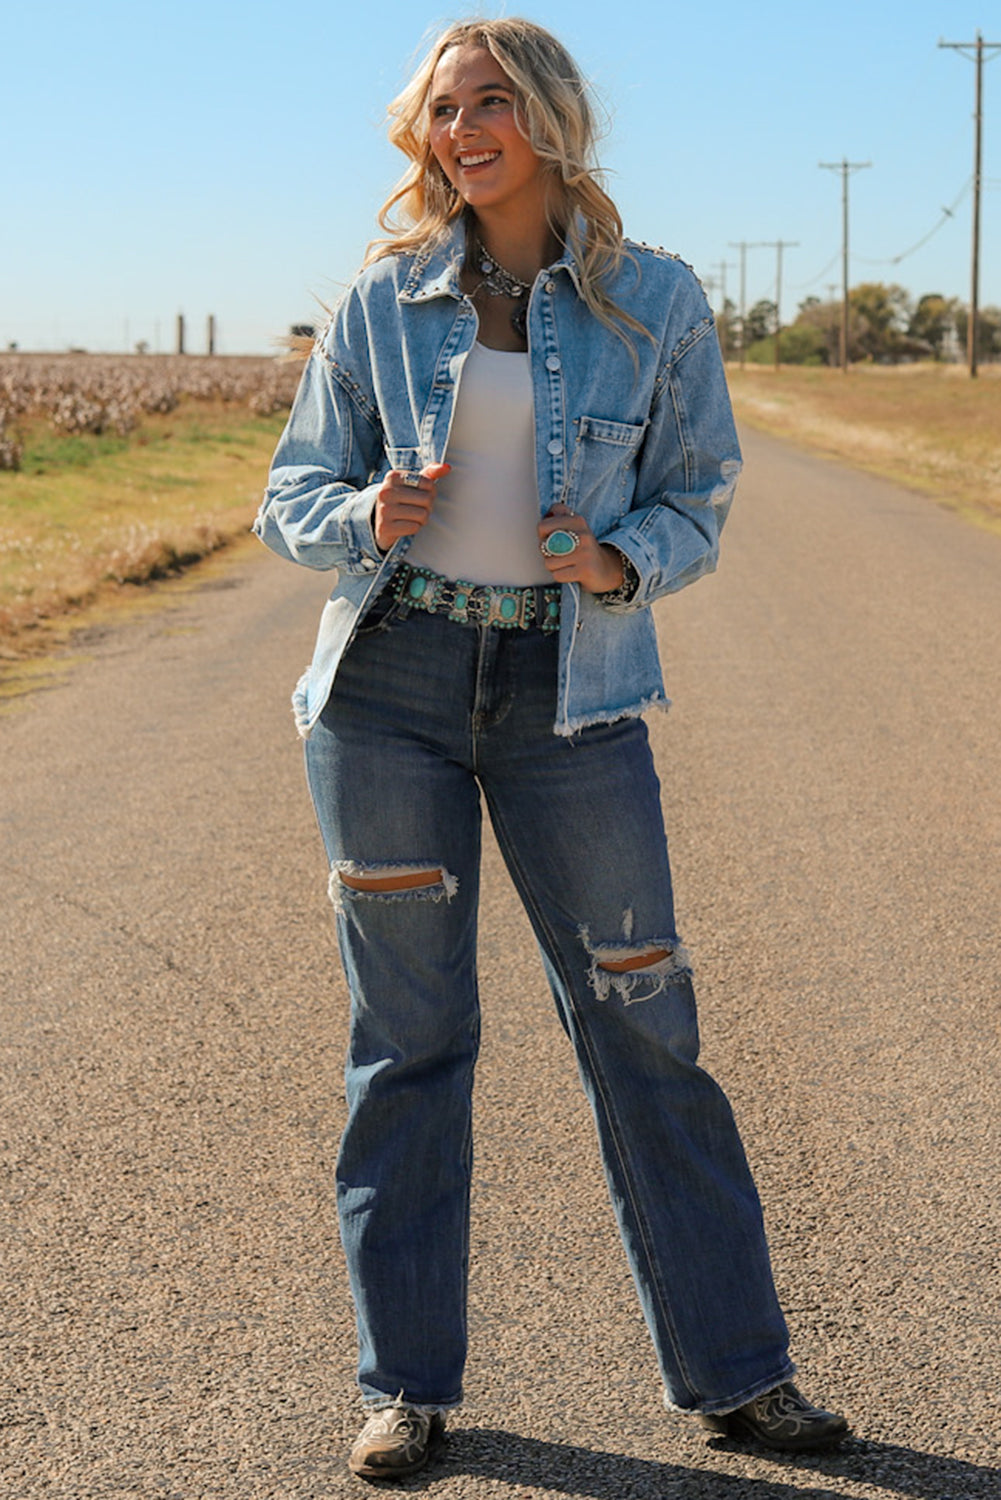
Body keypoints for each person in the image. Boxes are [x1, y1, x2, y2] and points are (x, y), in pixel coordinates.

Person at [254, 16, 849, 1482]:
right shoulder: (379, 302)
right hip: (386, 685)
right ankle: (406, 1388)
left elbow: (701, 491)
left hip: (568, 695)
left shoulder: (654, 298)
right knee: (407, 1047)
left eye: (491, 103)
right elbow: (292, 492)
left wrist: (613, 561)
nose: (463, 130)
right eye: (443, 108)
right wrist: (360, 517)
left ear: (550, 119)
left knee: (643, 1027)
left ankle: (738, 1377)